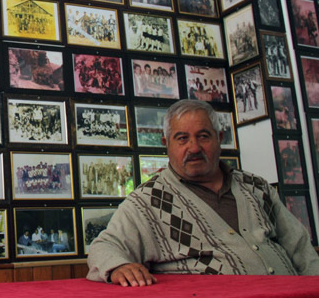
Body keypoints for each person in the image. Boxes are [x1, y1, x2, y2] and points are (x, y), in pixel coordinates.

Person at [86, 99, 319, 287]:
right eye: (182, 138)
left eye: (203, 136)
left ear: (219, 139)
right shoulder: (147, 201)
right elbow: (104, 247)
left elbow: (300, 248)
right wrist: (118, 266)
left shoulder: (256, 187)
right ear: (166, 144)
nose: (194, 147)